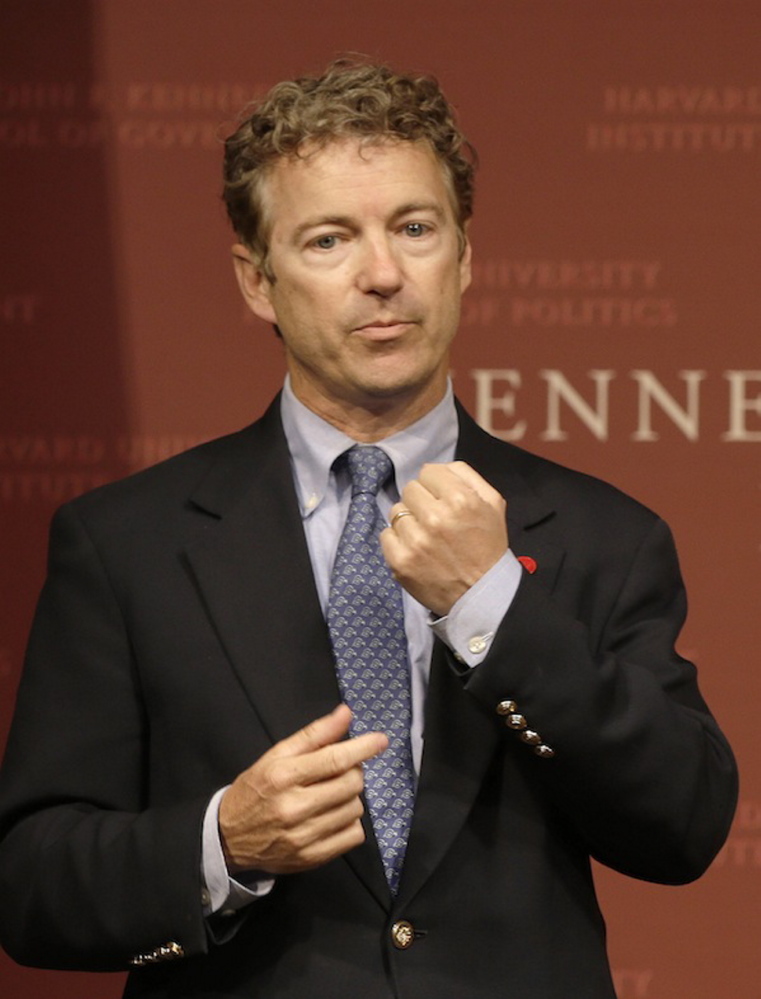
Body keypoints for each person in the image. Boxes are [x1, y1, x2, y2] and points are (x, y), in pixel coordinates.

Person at [0, 59, 738, 999]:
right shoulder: (127, 544)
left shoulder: (603, 533)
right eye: (328, 240)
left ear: (464, 258)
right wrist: (219, 842)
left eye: (415, 228)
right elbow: (29, 883)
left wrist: (494, 606)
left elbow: (684, 825)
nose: (382, 274)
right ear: (257, 280)